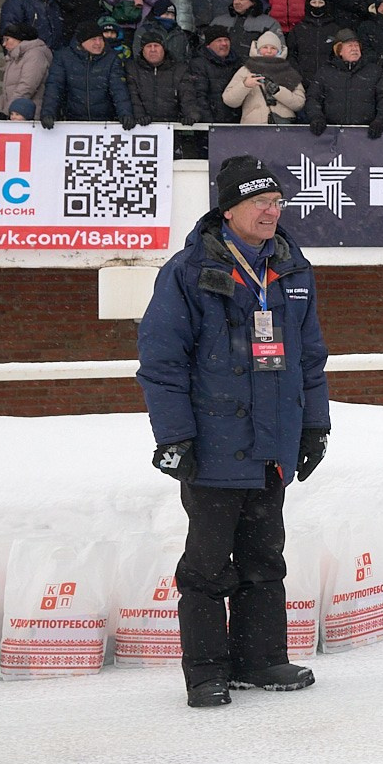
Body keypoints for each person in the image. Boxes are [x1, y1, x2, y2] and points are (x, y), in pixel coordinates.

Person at [135, 156, 331, 708]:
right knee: (206, 566)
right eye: (261, 203)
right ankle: (205, 671)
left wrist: (314, 425)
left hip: (272, 446)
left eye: (277, 203)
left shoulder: (292, 267)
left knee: (265, 559)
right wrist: (175, 437)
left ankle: (261, 659)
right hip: (213, 447)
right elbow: (162, 361)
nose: (273, 212)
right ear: (229, 210)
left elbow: (309, 358)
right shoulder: (189, 270)